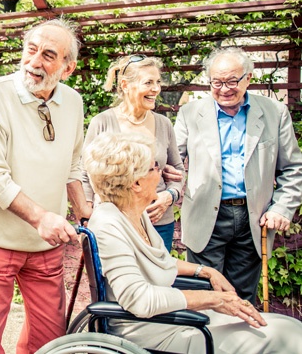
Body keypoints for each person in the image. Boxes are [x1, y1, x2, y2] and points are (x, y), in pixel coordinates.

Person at [83, 131, 302, 354]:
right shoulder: (109, 224)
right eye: (155, 167)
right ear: (136, 183)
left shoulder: (134, 213)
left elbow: (159, 261)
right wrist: (213, 300)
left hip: (171, 320)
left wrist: (206, 271)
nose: (161, 172)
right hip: (155, 331)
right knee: (285, 337)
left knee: (290, 327)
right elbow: (139, 300)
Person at [0, 19, 92, 354]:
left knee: (49, 341)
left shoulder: (74, 102)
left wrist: (83, 209)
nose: (34, 62)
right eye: (31, 50)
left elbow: (73, 165)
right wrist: (40, 218)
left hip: (45, 246)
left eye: (48, 55)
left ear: (67, 68)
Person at [173, 47, 302, 304]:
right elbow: (173, 163)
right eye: (217, 82)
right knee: (204, 296)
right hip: (204, 215)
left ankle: (237, 344)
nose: (224, 89)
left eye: (232, 81)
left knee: (242, 296)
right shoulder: (190, 113)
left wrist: (282, 209)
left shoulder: (274, 113)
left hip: (253, 218)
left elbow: (293, 169)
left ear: (248, 78)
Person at [82, 54, 184, 250]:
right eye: (148, 82)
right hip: (114, 223)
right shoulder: (102, 122)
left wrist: (170, 195)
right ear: (125, 85)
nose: (156, 89)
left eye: (157, 82)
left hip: (158, 222)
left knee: (158, 277)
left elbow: (178, 171)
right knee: (117, 278)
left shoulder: (163, 124)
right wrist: (87, 214)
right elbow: (85, 172)